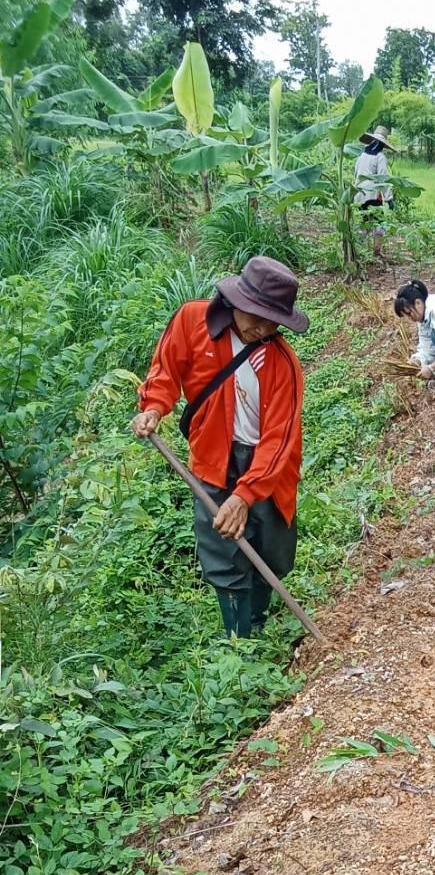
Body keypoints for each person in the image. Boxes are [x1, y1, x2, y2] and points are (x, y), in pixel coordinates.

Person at [131, 256, 307, 639]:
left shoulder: (282, 364)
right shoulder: (192, 322)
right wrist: (154, 408)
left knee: (269, 550)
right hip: (213, 456)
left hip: (266, 466)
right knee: (222, 550)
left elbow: (279, 440)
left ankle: (257, 621)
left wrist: (245, 496)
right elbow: (165, 371)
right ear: (236, 301)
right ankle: (238, 638)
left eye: (270, 321)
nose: (261, 329)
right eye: (255, 316)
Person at [354, 125, 396, 264]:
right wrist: (389, 198)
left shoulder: (362, 155)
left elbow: (356, 174)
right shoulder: (380, 157)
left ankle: (358, 250)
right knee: (379, 223)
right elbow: (382, 179)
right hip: (372, 194)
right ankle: (377, 250)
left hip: (359, 194)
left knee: (364, 222)